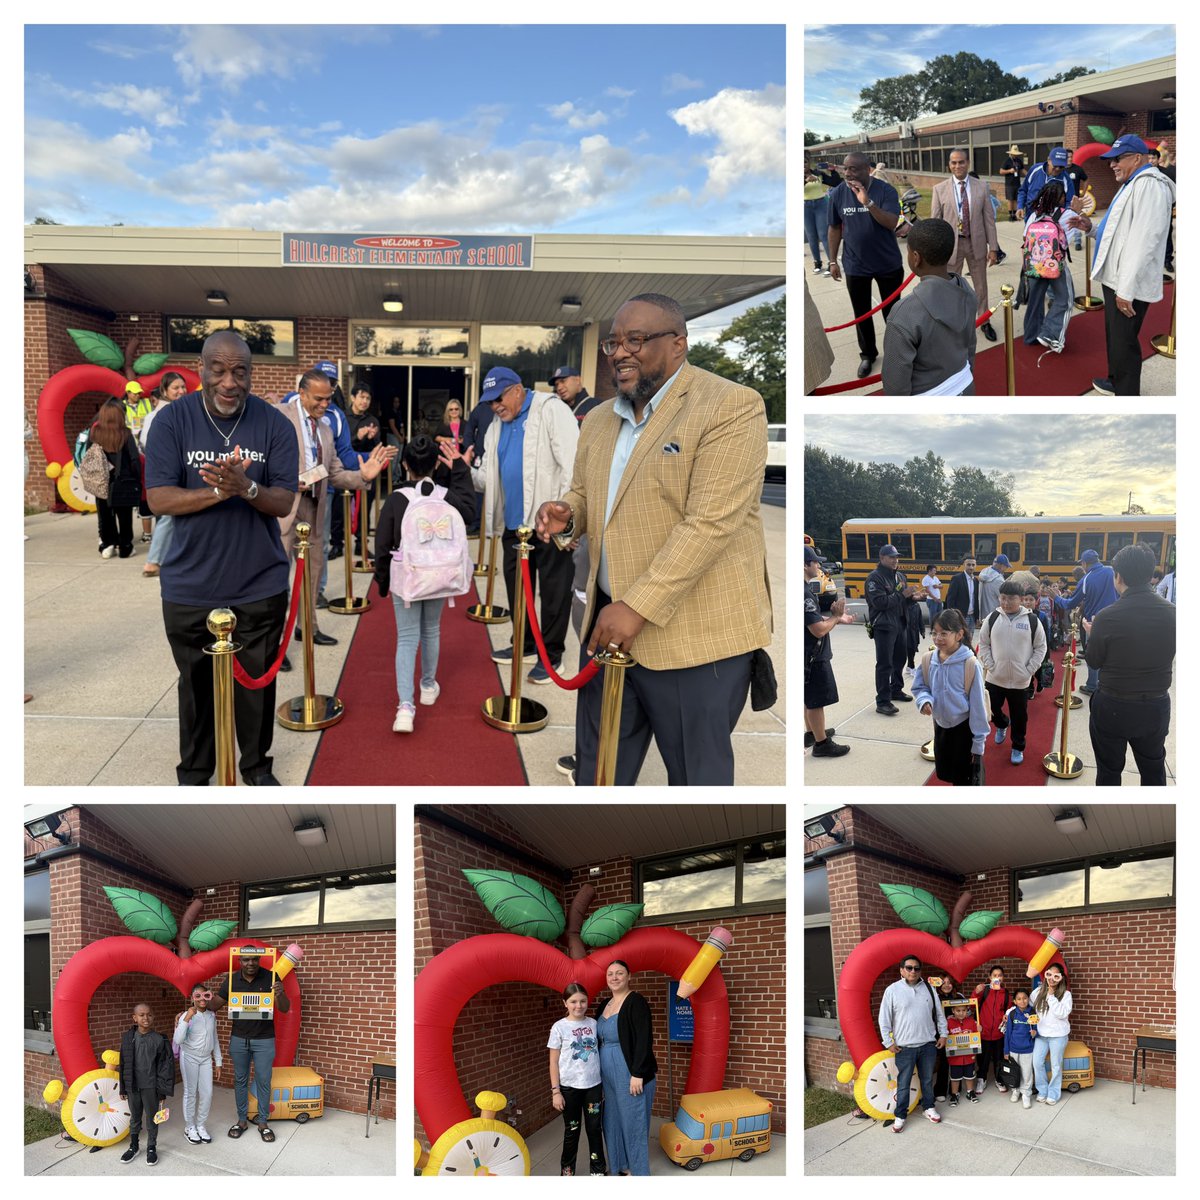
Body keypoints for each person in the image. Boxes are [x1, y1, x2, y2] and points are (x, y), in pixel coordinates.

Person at [535, 294, 772, 786]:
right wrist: (568, 514)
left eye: (636, 340)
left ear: (678, 343)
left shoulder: (731, 406)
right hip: (608, 631)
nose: (621, 352)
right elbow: (585, 493)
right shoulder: (600, 418)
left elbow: (709, 524)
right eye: (613, 343)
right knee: (600, 777)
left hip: (694, 642)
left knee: (695, 784)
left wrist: (637, 604)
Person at [144, 330, 299, 786]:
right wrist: (220, 491)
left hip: (258, 582)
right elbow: (159, 498)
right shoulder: (173, 421)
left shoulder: (274, 425)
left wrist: (246, 488)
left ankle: (255, 766)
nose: (229, 382)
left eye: (240, 371)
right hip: (190, 583)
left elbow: (284, 501)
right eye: (219, 370)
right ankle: (195, 771)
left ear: (251, 373)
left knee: (256, 686)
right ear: (200, 370)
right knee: (195, 687)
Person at [472, 366, 578, 684]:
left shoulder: (551, 410)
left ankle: (552, 655)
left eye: (499, 398)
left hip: (548, 524)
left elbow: (573, 465)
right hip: (513, 525)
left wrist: (568, 516)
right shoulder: (496, 425)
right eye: (490, 402)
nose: (495, 406)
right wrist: (464, 470)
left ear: (517, 389)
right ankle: (527, 645)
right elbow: (489, 476)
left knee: (554, 591)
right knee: (520, 590)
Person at [277, 369, 394, 655]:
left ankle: (308, 627)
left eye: (328, 398)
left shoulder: (326, 429)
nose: (325, 404)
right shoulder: (278, 416)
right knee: (278, 579)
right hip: (282, 509)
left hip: (314, 507)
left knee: (314, 573)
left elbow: (335, 473)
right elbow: (264, 460)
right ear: (301, 393)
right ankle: (276, 642)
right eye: (318, 398)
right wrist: (291, 479)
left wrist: (363, 475)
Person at [373, 435, 476, 733]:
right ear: (435, 464)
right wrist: (459, 467)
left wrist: (382, 580)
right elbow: (469, 511)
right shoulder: (446, 495)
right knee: (431, 629)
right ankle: (428, 686)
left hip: (408, 577)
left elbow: (382, 544)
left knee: (407, 638)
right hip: (439, 576)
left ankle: (405, 707)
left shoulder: (396, 499)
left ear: (404, 464)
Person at [1089, 135, 1177, 396]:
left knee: (1124, 344)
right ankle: (1115, 381)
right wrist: (1090, 229)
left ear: (1137, 158)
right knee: (1116, 340)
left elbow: (1143, 241)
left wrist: (1125, 290)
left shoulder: (1150, 186)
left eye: (1118, 159)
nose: (1112, 165)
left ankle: (1127, 395)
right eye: (1111, 160)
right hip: (1116, 278)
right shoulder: (1132, 183)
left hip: (1127, 283)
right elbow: (1119, 230)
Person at [1084, 541, 1176, 785]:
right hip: (1156, 705)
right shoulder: (1173, 613)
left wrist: (1093, 634)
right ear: (1150, 576)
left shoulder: (1107, 616)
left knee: (1109, 771)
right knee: (1153, 768)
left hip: (1114, 704)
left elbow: (1094, 661)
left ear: (1118, 577)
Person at [827, 151, 904, 379]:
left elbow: (892, 222)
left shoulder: (885, 191)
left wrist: (867, 202)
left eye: (854, 169)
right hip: (855, 264)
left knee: (893, 313)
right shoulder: (838, 193)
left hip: (887, 263)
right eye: (845, 168)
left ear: (867, 169)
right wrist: (832, 260)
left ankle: (897, 354)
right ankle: (868, 354)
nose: (848, 173)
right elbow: (834, 228)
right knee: (861, 313)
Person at [881, 217, 978, 395]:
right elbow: (970, 347)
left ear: (916, 258)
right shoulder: (967, 292)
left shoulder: (905, 313)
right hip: (965, 387)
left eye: (909, 252)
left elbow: (895, 384)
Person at [209, 948, 291, 1142]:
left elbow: (285, 1008)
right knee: (240, 1080)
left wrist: (279, 994)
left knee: (263, 1080)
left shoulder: (272, 976)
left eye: (254, 959)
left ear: (259, 959)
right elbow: (214, 1005)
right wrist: (195, 1003)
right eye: (246, 960)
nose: (251, 963)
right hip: (239, 1039)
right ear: (240, 961)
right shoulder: (231, 979)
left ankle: (263, 1122)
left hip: (264, 1039)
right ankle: (242, 1120)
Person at [912, 608, 989, 786]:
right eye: (934, 633)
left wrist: (978, 744)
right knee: (946, 772)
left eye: (944, 633)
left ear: (959, 634)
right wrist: (924, 700)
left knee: (962, 777)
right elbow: (920, 686)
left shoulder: (970, 663)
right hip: (940, 727)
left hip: (963, 729)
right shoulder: (929, 659)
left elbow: (978, 706)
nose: (938, 638)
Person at [931, 149, 1000, 342]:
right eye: (953, 163)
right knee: (951, 287)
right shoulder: (940, 189)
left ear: (967, 163)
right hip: (951, 246)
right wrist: (936, 250)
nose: (957, 166)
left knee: (980, 286)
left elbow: (989, 220)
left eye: (961, 162)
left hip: (975, 243)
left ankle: (984, 320)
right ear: (949, 165)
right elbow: (935, 222)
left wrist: (993, 247)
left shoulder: (982, 187)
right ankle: (953, 323)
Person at [596, 960, 657, 1174]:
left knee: (633, 1123)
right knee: (611, 1121)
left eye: (619, 973)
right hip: (607, 1074)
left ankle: (638, 1171)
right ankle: (620, 1165)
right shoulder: (604, 1004)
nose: (614, 977)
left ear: (629, 976)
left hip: (630, 1071)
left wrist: (637, 1073)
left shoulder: (636, 1001)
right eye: (610, 973)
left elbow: (644, 1039)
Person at [978, 580, 1047, 767]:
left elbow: (1040, 647)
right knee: (992, 710)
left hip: (1020, 681)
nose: (1006, 602)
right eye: (1003, 598)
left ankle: (1018, 746)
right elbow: (983, 643)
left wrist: (1029, 670)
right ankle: (1001, 725)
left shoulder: (1032, 620)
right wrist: (990, 665)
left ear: (1021, 599)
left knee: (1020, 716)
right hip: (995, 677)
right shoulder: (992, 618)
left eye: (1011, 598)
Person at [1021, 180, 1092, 356]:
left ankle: (1031, 336)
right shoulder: (1068, 214)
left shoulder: (1034, 216)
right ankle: (1050, 334)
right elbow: (1085, 226)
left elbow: (1025, 239)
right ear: (1061, 197)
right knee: (1065, 300)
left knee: (1035, 302)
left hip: (1035, 265)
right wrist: (1079, 210)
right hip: (1056, 266)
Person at [878, 955, 947, 1133]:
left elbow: (940, 1014)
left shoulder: (930, 989)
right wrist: (888, 1042)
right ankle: (900, 1115)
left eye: (916, 968)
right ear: (901, 970)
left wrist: (943, 1034)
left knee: (926, 1079)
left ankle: (928, 1107)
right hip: (904, 1047)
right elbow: (884, 1018)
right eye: (909, 968)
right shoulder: (892, 990)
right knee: (903, 1083)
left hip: (928, 1045)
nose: (913, 971)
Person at [547, 983, 606, 1176]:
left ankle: (597, 1170)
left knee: (594, 1129)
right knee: (572, 1131)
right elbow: (553, 1063)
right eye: (573, 1001)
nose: (578, 1005)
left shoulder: (593, 1024)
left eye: (582, 1001)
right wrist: (556, 1092)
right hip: (569, 1089)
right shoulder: (559, 1027)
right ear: (565, 1003)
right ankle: (567, 1171)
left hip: (593, 1088)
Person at [805, 545, 852, 757]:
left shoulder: (805, 589)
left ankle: (812, 732)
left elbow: (813, 620)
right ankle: (822, 744)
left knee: (808, 698)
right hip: (813, 656)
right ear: (805, 565)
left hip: (807, 655)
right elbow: (817, 630)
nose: (818, 565)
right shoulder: (804, 592)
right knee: (817, 700)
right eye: (815, 562)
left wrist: (837, 619)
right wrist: (834, 618)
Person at [140, 373, 189, 577]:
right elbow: (145, 444)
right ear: (164, 391)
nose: (181, 391)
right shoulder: (158, 415)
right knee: (170, 514)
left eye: (183, 387)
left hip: (182, 469)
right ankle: (154, 560)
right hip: (168, 472)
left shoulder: (183, 411)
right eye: (175, 388)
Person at [118, 1002, 175, 1164]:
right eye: (141, 1015)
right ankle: (134, 1146)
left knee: (152, 1118)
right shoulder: (128, 1038)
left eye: (149, 1014)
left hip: (151, 1087)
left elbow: (164, 1067)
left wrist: (162, 1091)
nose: (146, 1018)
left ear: (153, 1016)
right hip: (133, 1086)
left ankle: (151, 1147)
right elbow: (123, 1064)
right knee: (135, 1117)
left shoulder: (159, 1039)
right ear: (134, 1018)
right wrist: (123, 1087)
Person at [1056, 548, 1118, 693]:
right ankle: (1107, 685)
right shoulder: (1111, 571)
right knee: (1110, 655)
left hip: (1094, 622)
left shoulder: (1086, 579)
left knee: (1094, 654)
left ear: (1084, 563)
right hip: (1115, 618)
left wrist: (1057, 598)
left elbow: (1070, 604)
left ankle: (1091, 686)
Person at [88, 398, 143, 559]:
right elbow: (134, 458)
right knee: (124, 514)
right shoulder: (125, 433)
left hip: (101, 479)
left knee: (104, 513)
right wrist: (137, 477)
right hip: (123, 480)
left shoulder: (96, 433)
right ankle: (125, 546)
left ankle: (108, 545)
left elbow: (89, 456)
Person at [865, 543, 914, 714]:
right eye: (891, 557)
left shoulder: (900, 576)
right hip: (884, 626)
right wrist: (902, 595)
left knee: (900, 659)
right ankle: (883, 701)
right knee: (885, 664)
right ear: (882, 558)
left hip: (900, 623)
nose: (895, 560)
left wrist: (913, 598)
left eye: (897, 557)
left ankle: (896, 689)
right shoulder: (874, 578)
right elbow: (879, 603)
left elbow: (903, 601)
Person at [173, 984, 222, 1145]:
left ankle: (201, 1125)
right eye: (197, 996)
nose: (202, 999)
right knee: (191, 1092)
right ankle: (189, 1127)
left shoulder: (211, 1015)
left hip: (206, 1059)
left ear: (209, 996)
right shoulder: (186, 1016)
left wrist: (218, 1062)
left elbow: (214, 1039)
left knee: (207, 1093)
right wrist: (187, 1018)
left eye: (205, 995)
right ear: (192, 998)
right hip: (190, 1057)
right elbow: (178, 1040)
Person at [1030, 962, 1072, 1105]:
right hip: (1041, 1035)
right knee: (1036, 1062)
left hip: (1058, 1036)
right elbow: (1027, 1008)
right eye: (1049, 975)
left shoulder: (1066, 995)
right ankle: (1042, 1090)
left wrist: (1051, 996)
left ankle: (1053, 1093)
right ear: (1045, 975)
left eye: (1056, 976)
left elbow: (1062, 1013)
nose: (1052, 979)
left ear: (1061, 978)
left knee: (1056, 1065)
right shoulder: (1036, 992)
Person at [121, 380, 156, 544]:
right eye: (134, 393)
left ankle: (147, 528)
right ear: (127, 392)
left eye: (139, 392)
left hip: (145, 449)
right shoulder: (121, 406)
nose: (137, 395)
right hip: (130, 449)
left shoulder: (146, 405)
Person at [971, 965, 1012, 1095]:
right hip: (984, 1032)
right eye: (995, 975)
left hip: (999, 1034)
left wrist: (1007, 1015)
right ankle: (981, 1079)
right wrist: (976, 992)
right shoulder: (984, 990)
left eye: (1000, 975)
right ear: (990, 977)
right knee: (983, 1059)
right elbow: (973, 1005)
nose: (997, 977)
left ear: (1003, 978)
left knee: (998, 1058)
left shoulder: (1005, 994)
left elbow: (1009, 1010)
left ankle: (999, 1079)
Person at [1017, 147, 1078, 218]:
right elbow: (1023, 190)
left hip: (1052, 221)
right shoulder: (1035, 170)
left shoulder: (1066, 180)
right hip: (1031, 217)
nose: (1058, 169)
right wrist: (1020, 206)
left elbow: (1069, 202)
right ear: (1049, 160)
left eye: (1061, 167)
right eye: (1055, 165)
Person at [1003, 987, 1037, 1109]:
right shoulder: (1012, 1014)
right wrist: (1006, 1051)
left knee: (1027, 1073)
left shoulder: (1032, 1013)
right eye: (1019, 999)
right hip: (1013, 1049)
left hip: (1028, 1049)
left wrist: (1034, 1033)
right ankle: (1015, 1091)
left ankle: (1026, 1094)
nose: (1022, 1001)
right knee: (1014, 1072)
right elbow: (1008, 1033)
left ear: (1028, 999)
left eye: (1025, 998)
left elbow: (1035, 1029)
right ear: (1014, 1001)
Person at [932, 974, 963, 1101]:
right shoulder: (934, 996)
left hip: (957, 1035)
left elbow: (968, 1012)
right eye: (943, 982)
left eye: (949, 982)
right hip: (941, 1036)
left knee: (957, 1063)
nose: (946, 985)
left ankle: (955, 1090)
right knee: (943, 1064)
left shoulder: (959, 996)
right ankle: (940, 1090)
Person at [946, 1000, 980, 1107]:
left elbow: (976, 1037)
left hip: (969, 1056)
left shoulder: (971, 1021)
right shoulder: (949, 1023)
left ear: (967, 1011)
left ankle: (970, 1092)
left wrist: (979, 1030)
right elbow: (944, 1035)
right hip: (955, 1057)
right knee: (955, 1078)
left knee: (970, 1076)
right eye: (958, 1010)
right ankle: (954, 1094)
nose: (961, 1013)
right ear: (953, 1011)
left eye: (964, 1010)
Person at [1148, 146, 1176, 273]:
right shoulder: (1143, 174)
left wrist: (1170, 206)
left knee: (1166, 234)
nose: (1150, 160)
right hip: (1148, 210)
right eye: (1148, 158)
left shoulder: (1167, 173)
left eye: (1153, 158)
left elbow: (1174, 191)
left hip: (1164, 210)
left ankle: (1167, 260)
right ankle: (1150, 259)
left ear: (1158, 159)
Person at [803, 167, 833, 276]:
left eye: (805, 161)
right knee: (811, 236)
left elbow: (835, 182)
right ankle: (817, 262)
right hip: (805, 206)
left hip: (821, 204)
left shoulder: (818, 174)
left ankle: (832, 263)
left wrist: (833, 171)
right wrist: (804, 181)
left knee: (824, 235)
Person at [943, 554, 980, 642]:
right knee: (959, 639)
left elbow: (976, 600)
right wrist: (952, 616)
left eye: (973, 565)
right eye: (968, 564)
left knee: (969, 639)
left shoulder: (976, 581)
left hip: (972, 616)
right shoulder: (957, 579)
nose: (971, 567)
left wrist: (977, 616)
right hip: (961, 616)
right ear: (964, 565)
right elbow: (950, 599)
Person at [1063, 151, 1090, 250]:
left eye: (1071, 157)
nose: (1069, 159)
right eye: (1067, 157)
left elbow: (1086, 179)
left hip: (1075, 201)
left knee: (1076, 219)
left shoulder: (1078, 169)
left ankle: (1077, 241)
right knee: (1064, 220)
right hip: (1063, 201)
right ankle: (1064, 239)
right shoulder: (1060, 170)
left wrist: (1084, 192)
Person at [976, 553, 1010, 619]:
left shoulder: (984, 572)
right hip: (995, 615)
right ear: (1001, 565)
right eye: (1006, 566)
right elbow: (1004, 598)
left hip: (984, 614)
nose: (1006, 569)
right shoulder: (998, 580)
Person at [999, 144, 1024, 221]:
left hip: (1017, 183)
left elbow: (1022, 170)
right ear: (1011, 153)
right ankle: (1011, 215)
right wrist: (1009, 171)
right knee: (1010, 199)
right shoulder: (1007, 161)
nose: (1015, 155)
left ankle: (1015, 214)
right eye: (1014, 154)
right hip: (1009, 184)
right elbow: (1001, 171)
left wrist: (1030, 175)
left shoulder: (1019, 161)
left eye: (1016, 154)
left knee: (1016, 199)